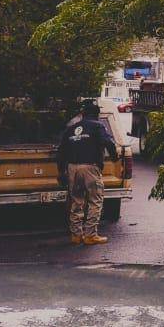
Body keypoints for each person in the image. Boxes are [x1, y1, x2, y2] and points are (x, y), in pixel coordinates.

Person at [56, 98, 119, 246]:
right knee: (95, 200)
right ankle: (90, 235)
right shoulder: (98, 126)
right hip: (90, 167)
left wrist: (61, 171)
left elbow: (61, 151)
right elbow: (108, 142)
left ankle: (76, 235)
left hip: (72, 168)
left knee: (76, 200)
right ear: (97, 114)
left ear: (82, 114)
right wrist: (115, 157)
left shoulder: (72, 128)